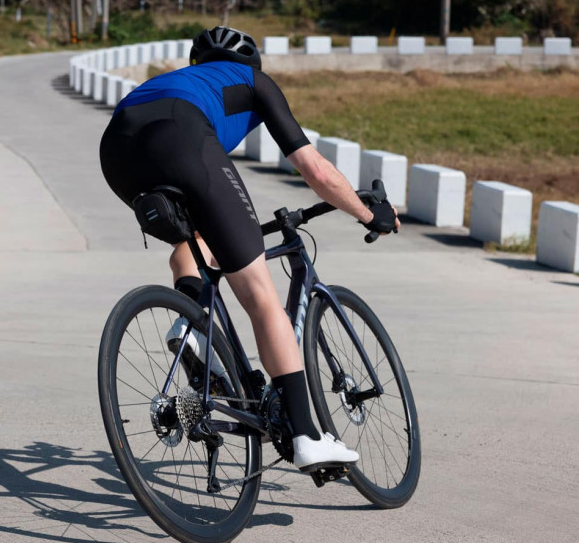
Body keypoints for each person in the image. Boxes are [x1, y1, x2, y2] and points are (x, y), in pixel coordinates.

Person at [99, 26, 400, 472]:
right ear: (251, 62)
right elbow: (313, 168)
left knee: (193, 243)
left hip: (118, 151)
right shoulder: (254, 82)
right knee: (260, 293)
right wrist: (368, 213)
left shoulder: (183, 79)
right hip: (181, 137)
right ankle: (306, 435)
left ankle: (191, 326)